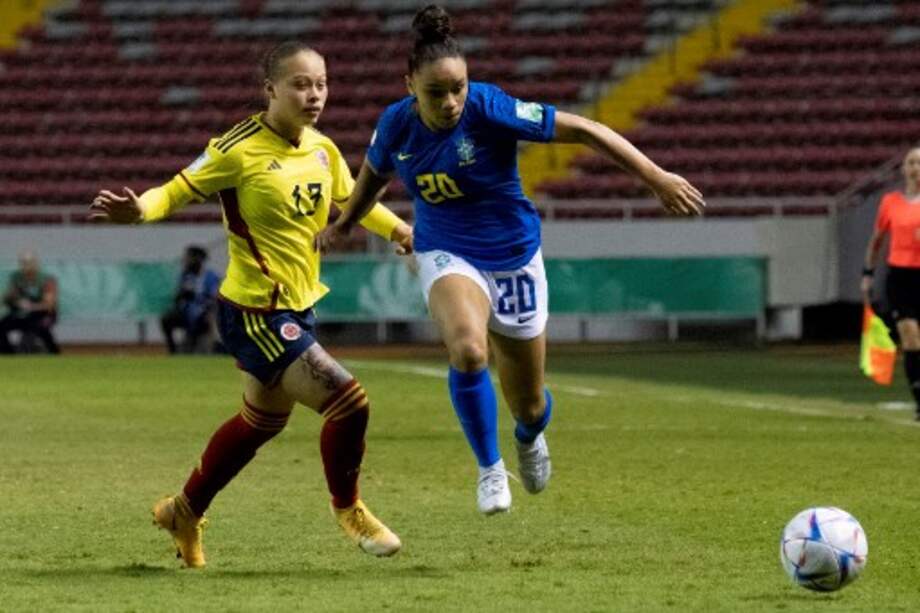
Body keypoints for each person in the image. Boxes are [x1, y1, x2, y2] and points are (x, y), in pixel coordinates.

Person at [316, 5, 705, 516]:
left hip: (514, 257)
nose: (451, 101)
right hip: (445, 249)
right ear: (409, 84)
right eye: (437, 92)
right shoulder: (395, 124)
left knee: (530, 404)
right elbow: (372, 178)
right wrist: (345, 224)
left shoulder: (489, 108)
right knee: (469, 351)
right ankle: (489, 469)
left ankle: (527, 436)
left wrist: (656, 177)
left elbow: (585, 130)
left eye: (458, 88)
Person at [90, 41, 413, 567]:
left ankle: (183, 511)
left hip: (297, 306)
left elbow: (350, 201)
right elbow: (173, 190)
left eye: (322, 84)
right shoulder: (236, 148)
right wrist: (140, 211)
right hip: (255, 313)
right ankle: (348, 509)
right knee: (349, 402)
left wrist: (400, 230)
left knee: (259, 423)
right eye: (301, 84)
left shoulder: (322, 148)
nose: (315, 95)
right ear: (270, 90)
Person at [862, 146, 920, 420]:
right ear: (903, 169)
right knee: (910, 337)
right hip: (900, 276)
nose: (915, 168)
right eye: (911, 162)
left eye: (919, 163)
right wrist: (868, 273)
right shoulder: (890, 202)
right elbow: (877, 240)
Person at [161, 245, 221, 354]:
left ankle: (211, 348)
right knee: (166, 319)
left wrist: (197, 297)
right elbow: (177, 298)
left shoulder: (210, 276)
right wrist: (180, 295)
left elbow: (214, 298)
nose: (185, 261)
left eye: (188, 258)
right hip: (187, 313)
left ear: (198, 259)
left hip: (204, 313)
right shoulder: (185, 276)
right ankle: (172, 351)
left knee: (207, 318)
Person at [0, 250, 60, 354]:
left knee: (40, 329)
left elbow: (49, 304)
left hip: (44, 314)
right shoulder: (16, 277)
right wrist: (14, 301)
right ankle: (8, 355)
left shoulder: (46, 279)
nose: (26, 266)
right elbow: (10, 296)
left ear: (36, 263)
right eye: (23, 262)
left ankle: (54, 353)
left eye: (29, 262)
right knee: (2, 326)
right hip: (24, 314)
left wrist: (32, 306)